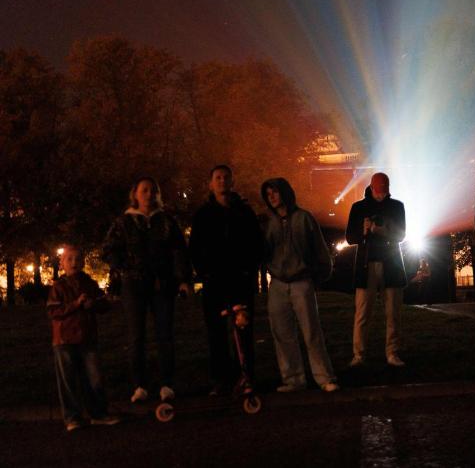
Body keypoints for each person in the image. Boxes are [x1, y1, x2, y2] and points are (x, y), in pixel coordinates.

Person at [103, 176, 192, 403]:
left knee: (165, 335)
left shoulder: (166, 221)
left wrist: (182, 279)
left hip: (162, 284)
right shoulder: (124, 222)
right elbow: (110, 248)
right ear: (135, 194)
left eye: (153, 190)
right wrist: (121, 268)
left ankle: (167, 384)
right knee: (137, 336)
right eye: (144, 190)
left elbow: (179, 250)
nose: (149, 194)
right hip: (134, 284)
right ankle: (140, 385)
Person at [189, 165, 264, 395]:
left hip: (239, 279)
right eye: (217, 178)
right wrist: (204, 272)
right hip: (214, 281)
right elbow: (195, 248)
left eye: (225, 177)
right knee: (216, 333)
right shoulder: (203, 215)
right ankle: (221, 379)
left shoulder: (243, 212)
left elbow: (255, 242)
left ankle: (246, 376)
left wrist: (248, 270)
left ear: (232, 182)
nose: (222, 181)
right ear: (211, 183)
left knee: (243, 327)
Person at [260, 177, 339, 392]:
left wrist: (320, 275)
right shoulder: (267, 222)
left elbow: (319, 249)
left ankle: (324, 377)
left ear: (284, 192)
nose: (272, 197)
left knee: (311, 331)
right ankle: (293, 379)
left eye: (274, 192)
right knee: (282, 333)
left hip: (301, 280)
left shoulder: (304, 218)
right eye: (268, 194)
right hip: (277, 282)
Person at [47, 244, 120, 431]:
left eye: (78, 259)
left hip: (87, 337)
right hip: (64, 339)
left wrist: (93, 305)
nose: (74, 262)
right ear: (62, 263)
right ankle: (72, 417)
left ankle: (98, 413)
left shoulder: (89, 283)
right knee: (68, 381)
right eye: (69, 259)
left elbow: (104, 305)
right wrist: (76, 305)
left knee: (94, 378)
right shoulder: (59, 286)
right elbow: (53, 310)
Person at [345, 172, 408, 367]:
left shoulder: (396, 206)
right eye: (379, 189)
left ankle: (390, 352)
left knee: (392, 313)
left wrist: (382, 231)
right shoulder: (359, 208)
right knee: (363, 312)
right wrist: (364, 231)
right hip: (370, 264)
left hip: (389, 265)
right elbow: (350, 237)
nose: (381, 193)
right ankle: (360, 354)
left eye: (384, 189)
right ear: (372, 187)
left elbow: (401, 235)